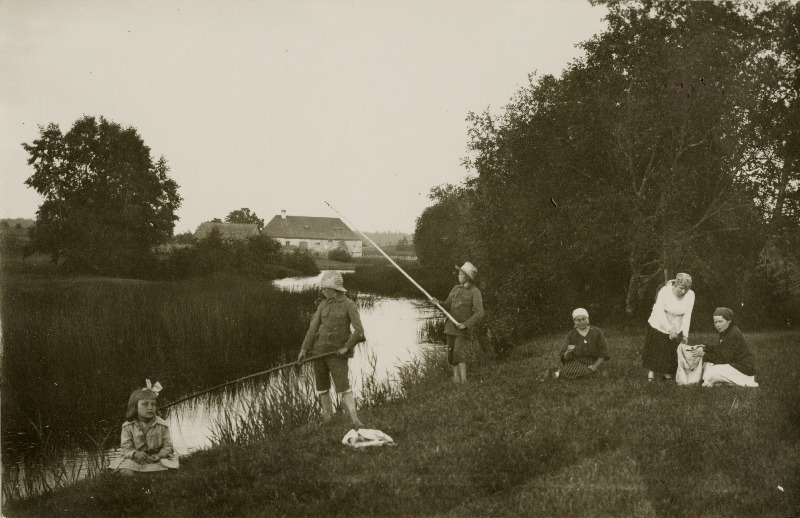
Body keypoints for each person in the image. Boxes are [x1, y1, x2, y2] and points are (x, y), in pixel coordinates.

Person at [298, 270, 366, 427]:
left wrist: (346, 347)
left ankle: (355, 419)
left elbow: (359, 330)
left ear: (333, 289)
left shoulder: (349, 305)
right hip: (318, 353)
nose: (322, 292)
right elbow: (312, 329)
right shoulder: (323, 305)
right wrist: (303, 350)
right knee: (322, 387)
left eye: (324, 289)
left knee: (343, 386)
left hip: (337, 355)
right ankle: (327, 419)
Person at [109, 380, 179, 475]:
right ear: (135, 407)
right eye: (145, 404)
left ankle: (153, 471)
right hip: (136, 459)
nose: (150, 408)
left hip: (157, 458)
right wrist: (135, 454)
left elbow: (168, 446)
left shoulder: (162, 425)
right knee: (126, 471)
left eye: (153, 404)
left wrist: (159, 455)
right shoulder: (128, 426)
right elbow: (126, 448)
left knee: (169, 468)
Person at [433, 262, 484, 383]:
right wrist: (438, 303)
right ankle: (456, 379)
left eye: (461, 273)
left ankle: (464, 380)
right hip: (450, 327)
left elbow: (479, 313)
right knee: (451, 354)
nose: (458, 275)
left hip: (463, 329)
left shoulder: (475, 292)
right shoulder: (455, 288)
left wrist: (465, 324)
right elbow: (447, 306)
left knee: (458, 352)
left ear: (467, 276)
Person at [642, 273, 695, 382]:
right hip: (660, 321)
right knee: (656, 347)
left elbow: (687, 315)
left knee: (671, 350)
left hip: (677, 322)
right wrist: (669, 329)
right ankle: (651, 372)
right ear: (675, 285)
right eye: (681, 288)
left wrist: (685, 333)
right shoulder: (665, 291)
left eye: (686, 289)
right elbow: (659, 311)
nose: (684, 291)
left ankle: (667, 373)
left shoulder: (691, 295)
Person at [693, 307, 759, 387]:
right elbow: (721, 349)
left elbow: (723, 358)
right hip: (733, 364)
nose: (717, 325)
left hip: (743, 370)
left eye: (720, 321)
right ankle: (724, 381)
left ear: (729, 321)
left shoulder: (734, 334)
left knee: (710, 373)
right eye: (715, 322)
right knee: (708, 366)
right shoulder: (725, 331)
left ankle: (742, 382)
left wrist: (703, 354)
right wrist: (706, 347)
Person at [551, 308, 610, 379]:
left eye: (584, 319)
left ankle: (560, 374)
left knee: (601, 373)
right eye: (578, 320)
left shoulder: (597, 331)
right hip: (576, 363)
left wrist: (595, 366)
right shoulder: (571, 335)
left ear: (588, 319)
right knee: (572, 369)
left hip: (594, 362)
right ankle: (586, 374)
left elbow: (603, 353)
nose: (581, 322)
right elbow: (564, 358)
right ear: (574, 322)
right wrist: (568, 352)